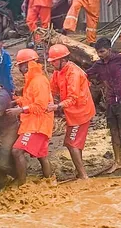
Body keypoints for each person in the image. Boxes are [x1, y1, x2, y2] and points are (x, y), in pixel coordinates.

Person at [86, 37, 121, 173]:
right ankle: (117, 161)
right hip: (110, 101)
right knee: (113, 132)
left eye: (102, 52)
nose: (100, 55)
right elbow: (86, 75)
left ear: (109, 50)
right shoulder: (98, 65)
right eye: (98, 52)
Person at [6, 49, 54, 185]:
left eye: (20, 65)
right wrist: (17, 100)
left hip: (37, 125)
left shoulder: (38, 81)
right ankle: (49, 182)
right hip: (36, 122)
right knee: (41, 155)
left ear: (27, 64)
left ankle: (21, 183)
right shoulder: (32, 80)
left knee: (16, 151)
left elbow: (40, 106)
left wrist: (19, 110)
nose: (19, 68)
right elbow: (30, 100)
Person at [47, 44, 95, 179]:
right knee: (74, 143)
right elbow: (53, 89)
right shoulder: (58, 72)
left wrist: (57, 107)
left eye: (54, 61)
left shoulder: (74, 73)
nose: (52, 64)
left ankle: (83, 176)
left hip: (81, 113)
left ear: (63, 59)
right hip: (73, 112)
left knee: (71, 143)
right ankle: (80, 172)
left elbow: (73, 98)